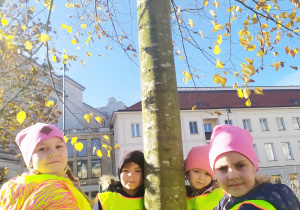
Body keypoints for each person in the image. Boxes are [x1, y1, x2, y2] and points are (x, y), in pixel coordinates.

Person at [0, 123, 92, 210]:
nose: (53, 153)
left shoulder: (10, 188)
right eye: (42, 149)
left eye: (58, 146)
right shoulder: (56, 194)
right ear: (30, 160)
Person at [209, 124, 300, 210]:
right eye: (222, 168)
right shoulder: (280, 193)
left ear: (254, 167)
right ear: (215, 174)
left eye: (240, 165)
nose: (233, 176)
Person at [185, 144, 224, 210]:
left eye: (207, 174)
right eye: (196, 171)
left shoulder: (219, 193)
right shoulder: (181, 193)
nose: (201, 177)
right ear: (187, 173)